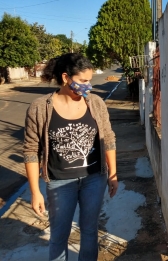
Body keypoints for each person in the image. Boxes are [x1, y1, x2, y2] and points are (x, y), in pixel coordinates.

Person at [23, 53, 118, 261]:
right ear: (66, 78)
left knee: (90, 231)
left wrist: (113, 174)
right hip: (59, 182)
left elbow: (108, 139)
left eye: (90, 80)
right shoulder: (40, 108)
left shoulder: (96, 103)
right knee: (59, 236)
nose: (89, 86)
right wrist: (35, 192)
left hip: (94, 179)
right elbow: (31, 151)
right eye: (83, 81)